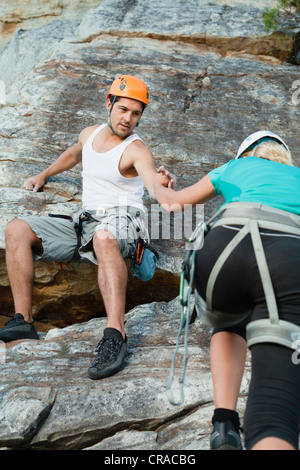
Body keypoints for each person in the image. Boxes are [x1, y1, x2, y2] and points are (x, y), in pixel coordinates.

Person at [1, 75, 173, 380]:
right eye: (123, 110)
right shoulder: (89, 134)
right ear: (109, 103)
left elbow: (152, 183)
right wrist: (43, 175)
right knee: (16, 229)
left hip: (122, 219)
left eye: (135, 114)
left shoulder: (137, 150)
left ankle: (115, 335)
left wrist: (162, 186)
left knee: (105, 238)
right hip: (86, 220)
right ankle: (23, 321)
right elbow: (73, 154)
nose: (128, 119)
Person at [153, 131, 300, 450]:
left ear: (245, 153)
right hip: (288, 253)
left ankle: (224, 423)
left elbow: (170, 203)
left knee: (228, 321)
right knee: (275, 417)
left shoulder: (233, 167)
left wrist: (156, 182)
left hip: (225, 246)